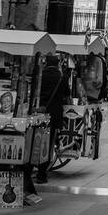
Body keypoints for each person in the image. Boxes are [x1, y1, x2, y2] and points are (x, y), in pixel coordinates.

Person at [36, 53, 70, 185]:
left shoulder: (40, 75)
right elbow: (67, 94)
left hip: (38, 112)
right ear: (57, 64)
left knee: (36, 141)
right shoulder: (62, 77)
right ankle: (41, 174)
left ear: (46, 63)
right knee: (48, 144)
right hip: (54, 114)